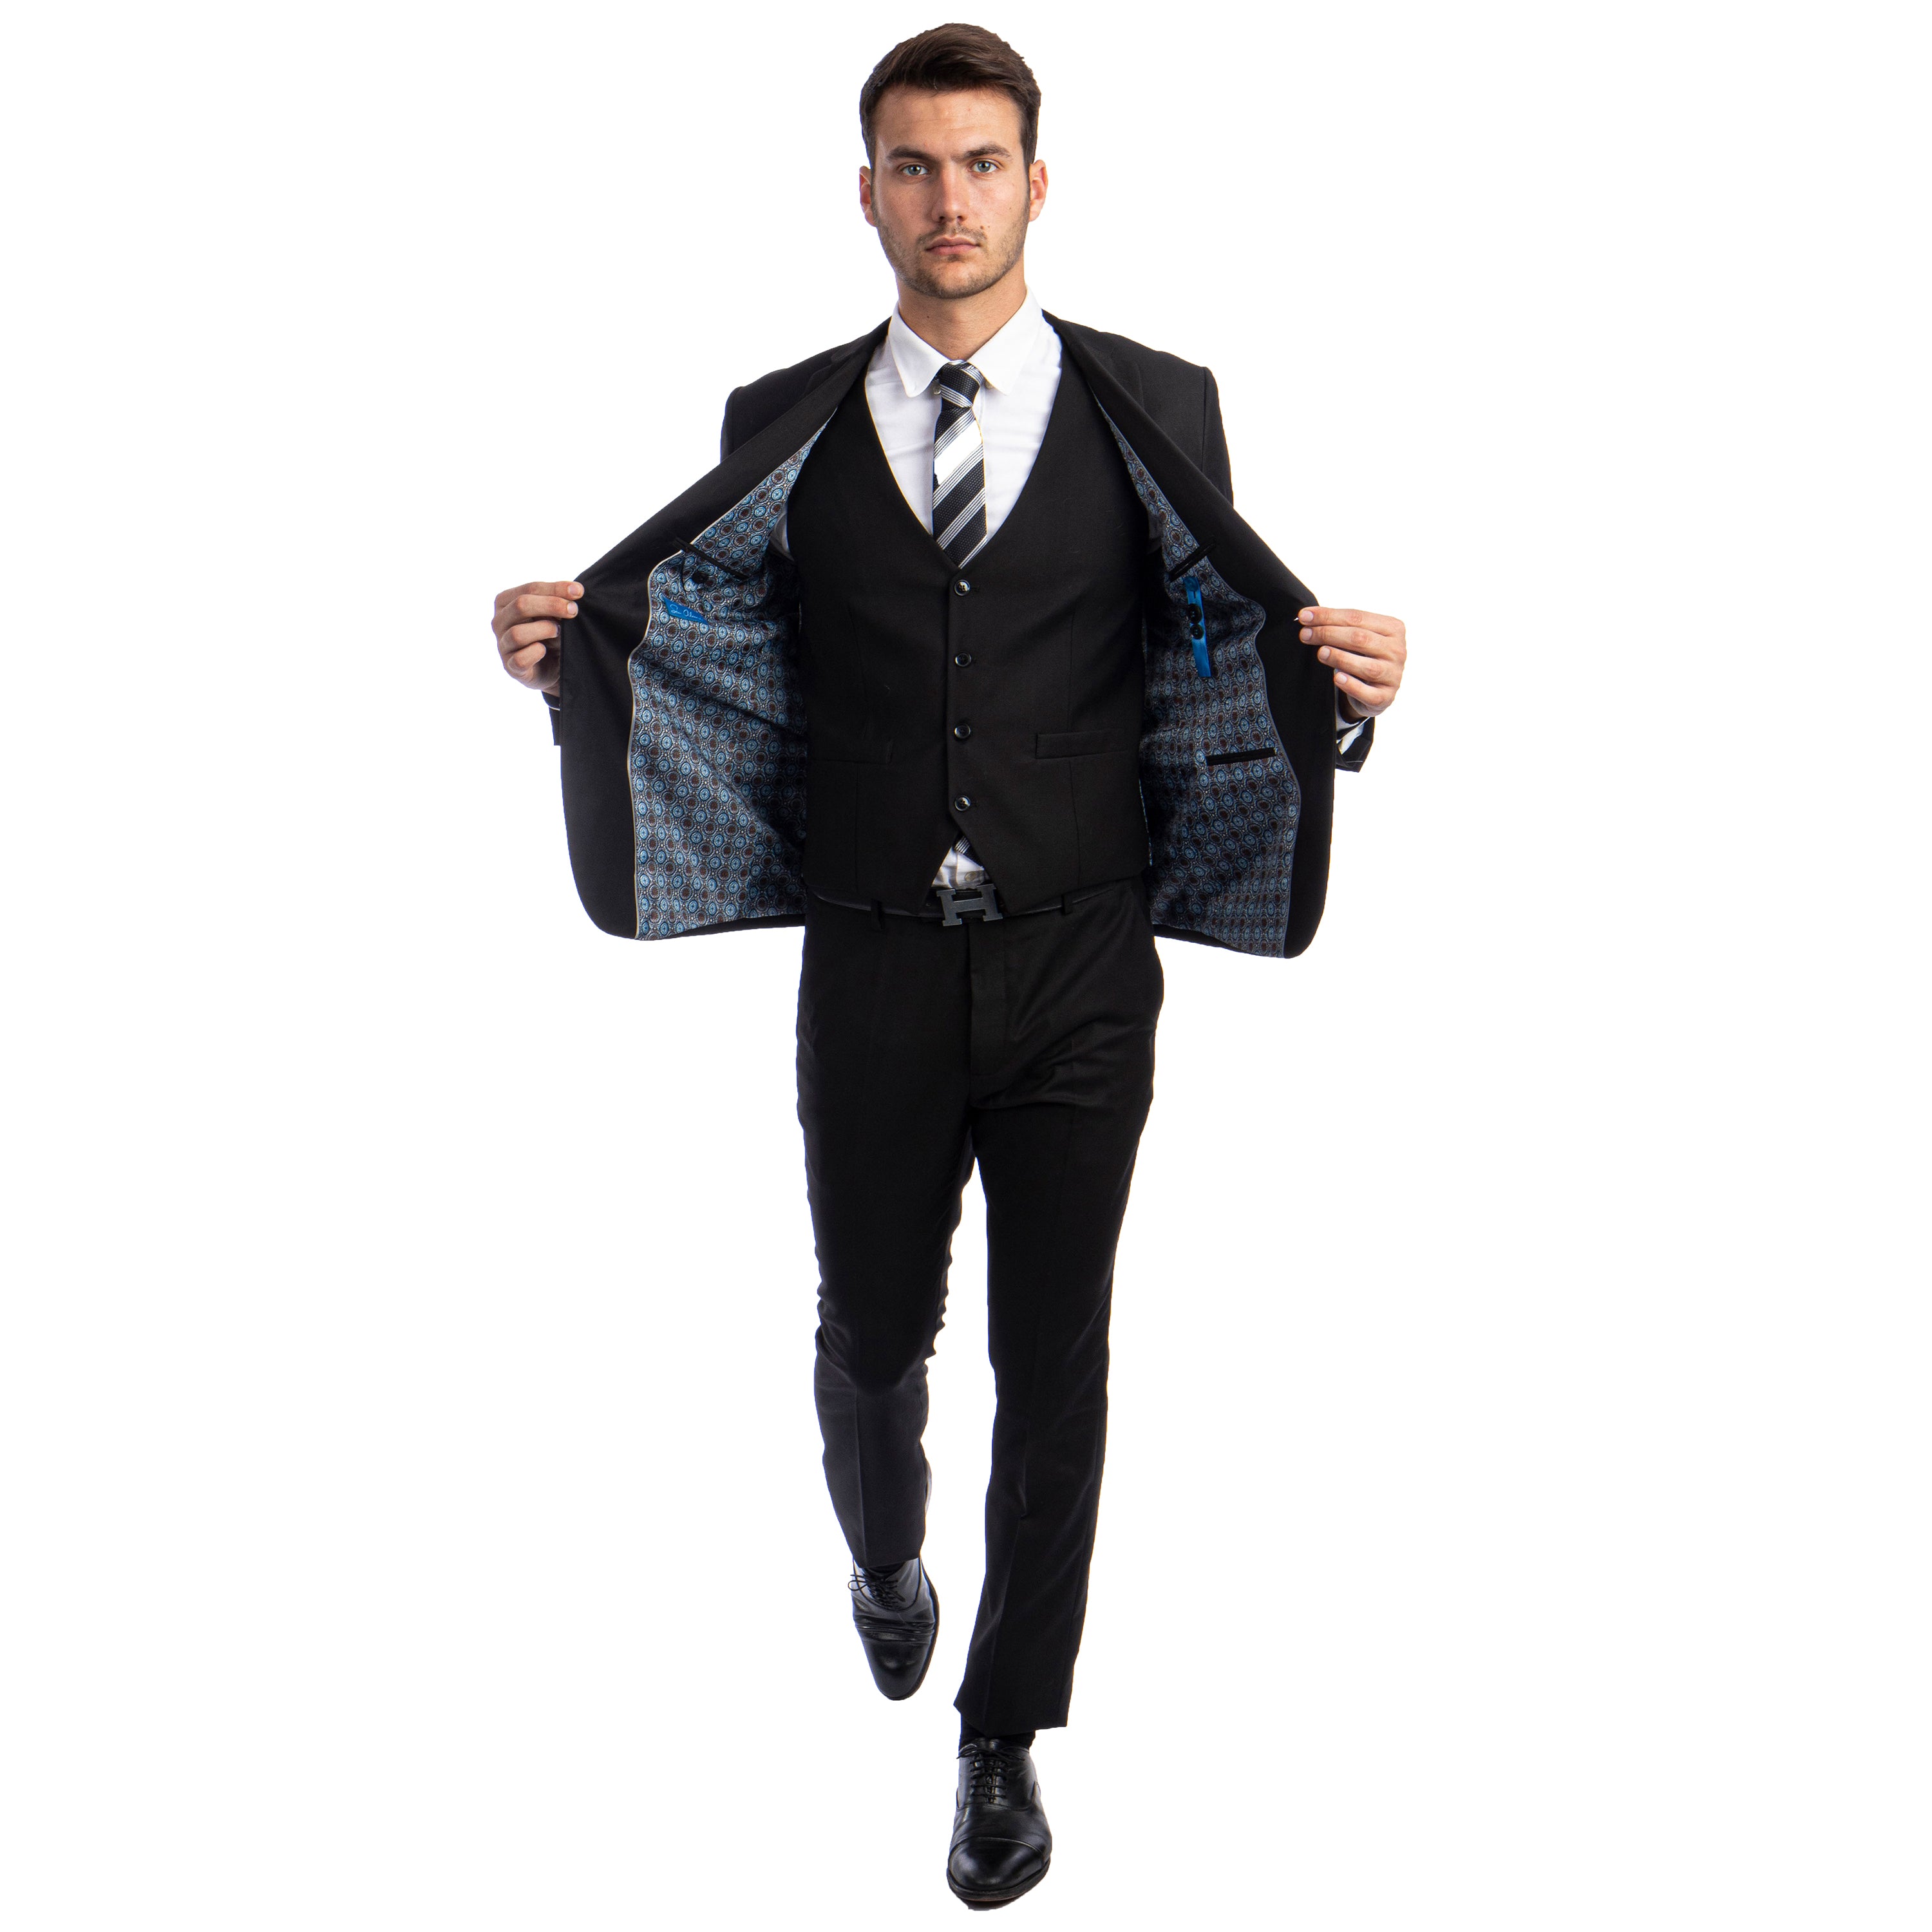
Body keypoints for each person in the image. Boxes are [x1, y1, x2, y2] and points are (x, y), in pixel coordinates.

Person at [491, 24, 1406, 1910]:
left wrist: (1349, 697)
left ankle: (1002, 1732)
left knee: (1055, 1361)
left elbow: (1223, 644)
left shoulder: (1161, 403)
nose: (950, 200)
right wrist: (571, 661)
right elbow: (708, 641)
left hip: (1082, 968)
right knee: (869, 1339)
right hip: (875, 967)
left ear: (1037, 184)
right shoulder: (781, 415)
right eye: (913, 166)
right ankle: (886, 1553)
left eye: (982, 163)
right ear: (867, 193)